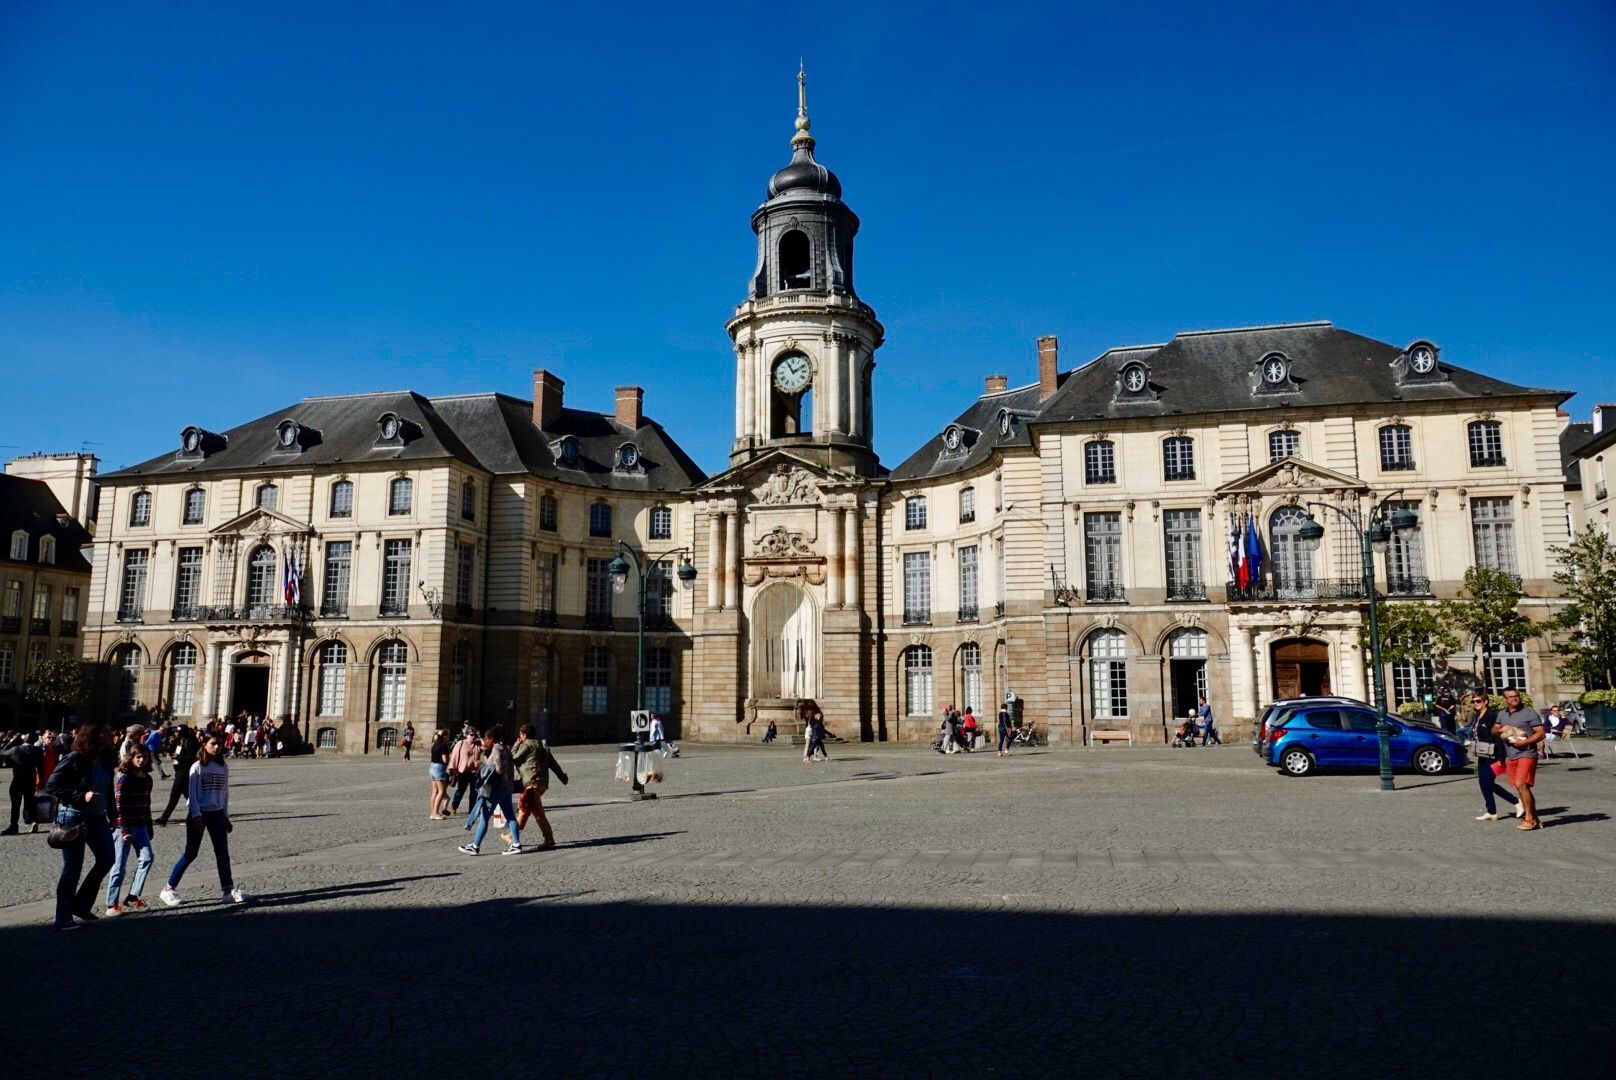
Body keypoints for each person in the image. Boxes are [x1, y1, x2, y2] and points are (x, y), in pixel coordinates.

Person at [43, 722, 118, 930]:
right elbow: (52, 785)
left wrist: (113, 815)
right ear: (93, 737)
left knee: (107, 858)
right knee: (72, 868)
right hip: (75, 817)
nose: (111, 735)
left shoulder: (105, 759)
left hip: (98, 817)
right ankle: (63, 918)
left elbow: (109, 789)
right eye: (106, 733)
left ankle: (81, 905)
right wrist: (80, 796)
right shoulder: (75, 758)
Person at [159, 732, 248, 907]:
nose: (217, 747)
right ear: (204, 744)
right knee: (191, 853)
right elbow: (192, 795)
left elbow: (224, 794)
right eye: (213, 743)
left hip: (217, 813)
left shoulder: (223, 766)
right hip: (199, 814)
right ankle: (168, 888)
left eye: (219, 743)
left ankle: (227, 890)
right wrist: (197, 817)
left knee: (222, 853)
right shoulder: (197, 767)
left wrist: (226, 816)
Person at [106, 742, 156, 915]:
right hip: (123, 828)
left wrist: (149, 825)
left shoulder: (147, 779)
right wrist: (124, 830)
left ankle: (133, 897)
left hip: (141, 826)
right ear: (131, 758)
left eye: (144, 757)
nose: (141, 760)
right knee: (119, 867)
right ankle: (111, 904)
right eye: (138, 757)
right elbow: (118, 806)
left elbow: (147, 804)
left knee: (147, 858)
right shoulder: (125, 779)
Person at [459, 726, 521, 856]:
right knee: (510, 816)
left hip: (496, 788)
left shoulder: (496, 750)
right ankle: (516, 844)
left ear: (491, 739)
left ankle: (475, 846)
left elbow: (497, 769)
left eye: (486, 738)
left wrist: (482, 765)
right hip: (507, 787)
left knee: (484, 816)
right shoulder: (506, 749)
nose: (484, 741)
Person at [507, 723, 566, 851]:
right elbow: (554, 764)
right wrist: (562, 777)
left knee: (524, 809)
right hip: (542, 784)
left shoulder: (527, 745)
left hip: (531, 783)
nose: (519, 736)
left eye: (520, 734)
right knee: (537, 812)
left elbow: (514, 758)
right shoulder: (543, 746)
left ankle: (512, 836)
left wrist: (516, 745)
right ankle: (549, 838)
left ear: (524, 734)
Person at [1468, 691, 1519, 821]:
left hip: (1494, 753)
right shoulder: (1477, 716)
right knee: (1483, 783)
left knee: (1488, 782)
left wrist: (1502, 757)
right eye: (1474, 701)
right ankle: (1491, 812)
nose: (1475, 703)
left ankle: (1516, 802)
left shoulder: (1492, 716)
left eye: (1478, 701)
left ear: (1486, 702)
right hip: (1482, 753)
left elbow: (1498, 736)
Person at [1499, 687, 1545, 831]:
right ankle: (1535, 819)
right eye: (1511, 696)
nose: (1515, 698)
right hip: (1511, 755)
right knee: (1521, 788)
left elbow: (1541, 733)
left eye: (1516, 695)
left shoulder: (1529, 713)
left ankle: (1529, 819)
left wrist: (1525, 742)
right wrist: (1502, 729)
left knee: (1521, 784)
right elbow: (1494, 730)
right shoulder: (1501, 714)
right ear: (1505, 699)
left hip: (1527, 753)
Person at [157, 725, 200, 826]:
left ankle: (164, 818)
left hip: (184, 771)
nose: (176, 733)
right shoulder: (181, 740)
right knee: (188, 796)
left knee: (174, 795)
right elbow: (175, 752)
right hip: (179, 770)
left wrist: (179, 757)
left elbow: (191, 756)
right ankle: (199, 813)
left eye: (178, 732)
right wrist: (171, 745)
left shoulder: (189, 741)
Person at [3, 732, 45, 834]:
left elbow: (2, 752)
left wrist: (11, 740)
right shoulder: (39, 751)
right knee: (30, 803)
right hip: (31, 780)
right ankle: (34, 821)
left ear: (25, 739)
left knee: (15, 805)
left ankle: (14, 826)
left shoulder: (16, 749)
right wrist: (41, 782)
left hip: (18, 780)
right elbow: (41, 769)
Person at [446, 726, 484, 817]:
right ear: (467, 735)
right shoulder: (461, 743)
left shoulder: (478, 744)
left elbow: (486, 748)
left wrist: (480, 737)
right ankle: (454, 807)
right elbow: (454, 756)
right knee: (460, 790)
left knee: (474, 791)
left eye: (475, 735)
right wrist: (452, 769)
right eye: (471, 735)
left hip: (474, 772)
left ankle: (472, 809)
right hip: (462, 772)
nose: (473, 737)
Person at [428, 728, 451, 819]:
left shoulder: (435, 745)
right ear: (445, 736)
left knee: (434, 791)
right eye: (448, 735)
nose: (448, 737)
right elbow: (445, 759)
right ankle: (435, 813)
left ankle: (432, 812)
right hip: (439, 768)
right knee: (441, 791)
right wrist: (449, 760)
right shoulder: (444, 746)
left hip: (432, 767)